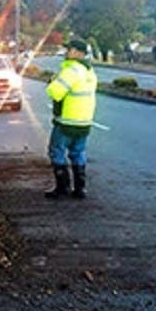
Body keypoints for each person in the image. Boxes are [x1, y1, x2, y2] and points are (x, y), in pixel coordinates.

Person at [44, 39, 98, 199]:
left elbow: (55, 92)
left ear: (76, 52)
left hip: (67, 121)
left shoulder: (72, 71)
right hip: (84, 121)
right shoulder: (90, 72)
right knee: (78, 152)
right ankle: (80, 189)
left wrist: (53, 81)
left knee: (56, 151)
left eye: (68, 49)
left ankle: (62, 188)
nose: (65, 52)